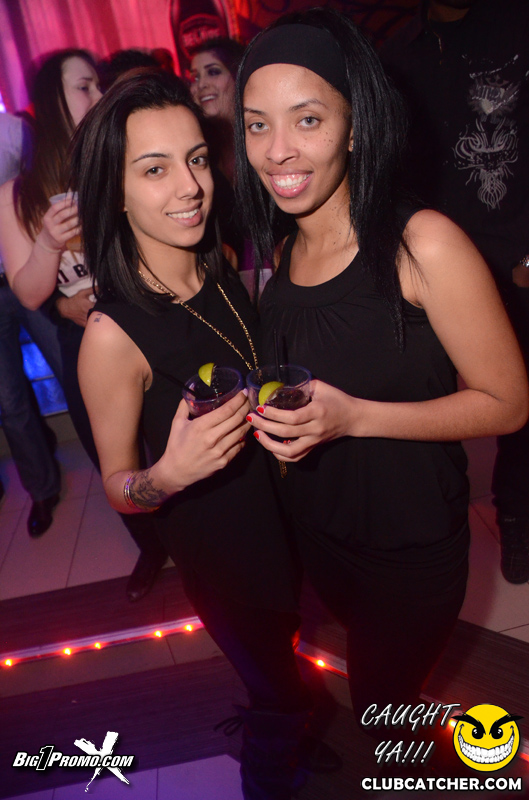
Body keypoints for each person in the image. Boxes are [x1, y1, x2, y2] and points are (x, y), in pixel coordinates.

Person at [236, 6, 528, 756]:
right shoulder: (282, 251)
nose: (277, 149)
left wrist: (354, 417)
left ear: (355, 126)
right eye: (257, 124)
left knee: (382, 708)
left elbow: (507, 403)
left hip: (409, 548)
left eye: (306, 119)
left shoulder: (422, 243)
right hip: (321, 534)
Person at [71, 69, 319, 800]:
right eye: (154, 170)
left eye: (197, 159)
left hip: (282, 520)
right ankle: (268, 773)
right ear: (114, 191)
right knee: (277, 693)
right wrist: (168, 475)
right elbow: (118, 487)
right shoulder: (111, 335)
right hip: (224, 557)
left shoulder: (216, 264)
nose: (190, 188)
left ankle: (296, 732)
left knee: (287, 652)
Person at [0, 50, 166, 601]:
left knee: (169, 433)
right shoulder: (16, 195)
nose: (99, 95)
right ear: (53, 99)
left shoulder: (121, 159)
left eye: (99, 85)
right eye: (85, 86)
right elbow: (30, 293)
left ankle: (194, 537)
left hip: (147, 317)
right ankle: (150, 545)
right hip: (85, 337)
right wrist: (49, 242)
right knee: (109, 451)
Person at [380, 0, 529, 585]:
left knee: (520, 403)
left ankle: (515, 516)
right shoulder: (400, 55)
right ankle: (433, 532)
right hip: (434, 269)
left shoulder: (518, 26)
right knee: (433, 402)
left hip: (516, 262)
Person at [0, 110, 63, 537]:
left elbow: (42, 194)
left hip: (32, 270)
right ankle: (42, 490)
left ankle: (118, 467)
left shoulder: (12, 130)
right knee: (9, 400)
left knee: (72, 370)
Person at [190, 38, 246, 270]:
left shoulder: (266, 143)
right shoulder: (195, 157)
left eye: (213, 72)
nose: (201, 84)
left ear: (239, 76)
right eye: (195, 77)